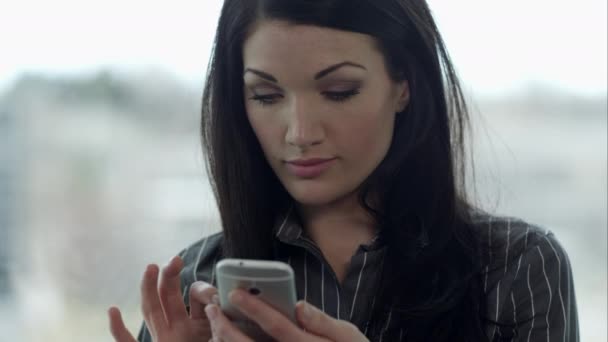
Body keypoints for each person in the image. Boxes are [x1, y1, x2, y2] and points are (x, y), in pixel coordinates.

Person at [108, 0, 580, 341]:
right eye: (266, 96)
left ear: (404, 86)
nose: (299, 132)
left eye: (339, 91)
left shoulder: (515, 268)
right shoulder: (197, 287)